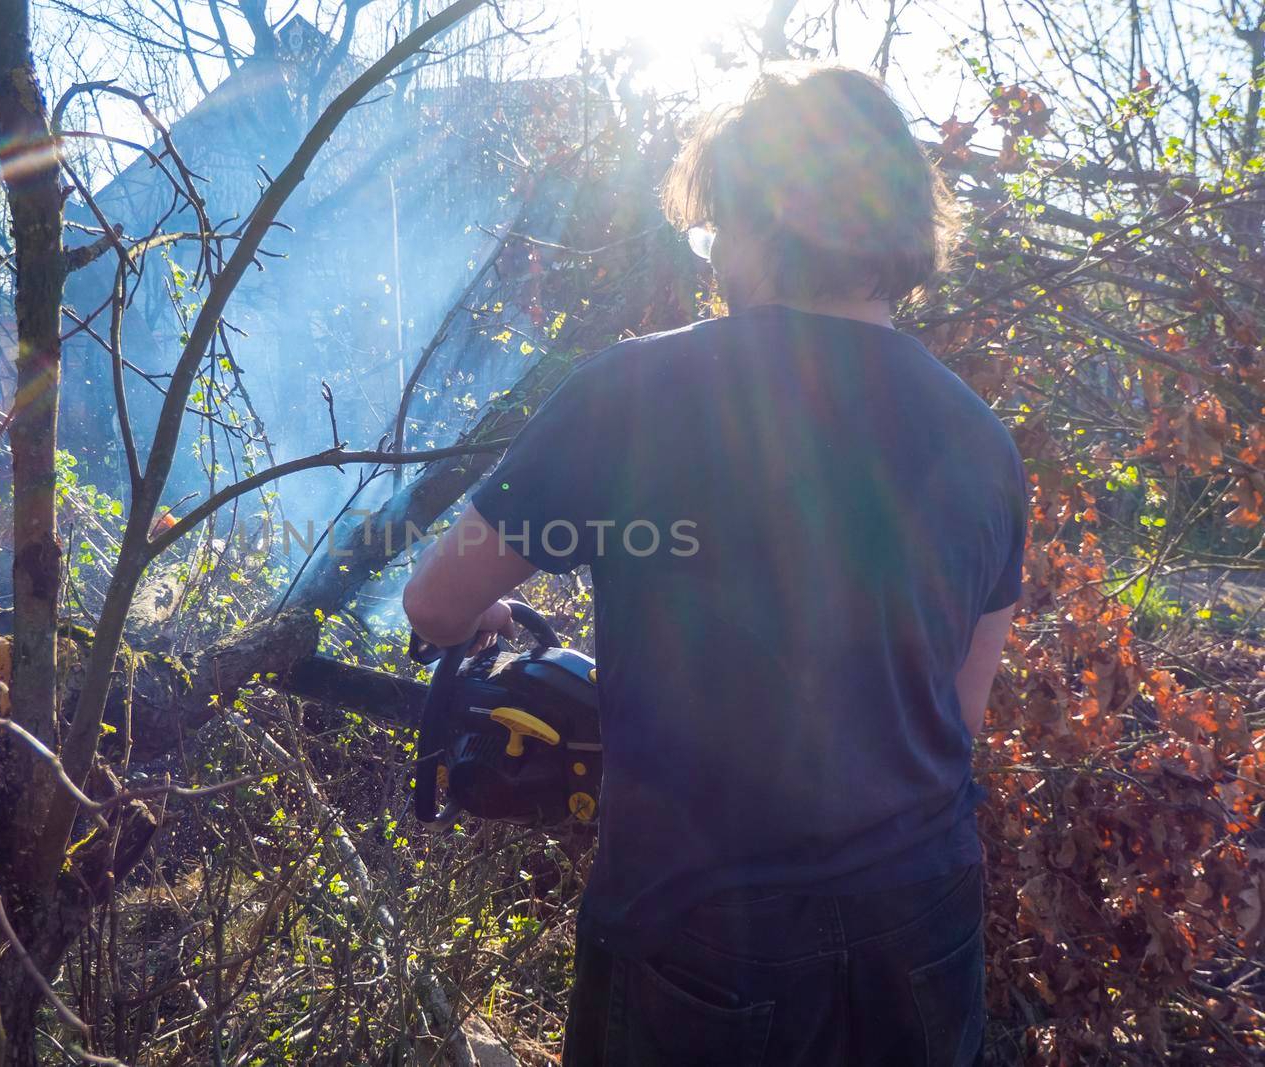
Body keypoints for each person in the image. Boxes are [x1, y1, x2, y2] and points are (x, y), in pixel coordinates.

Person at [402, 64, 1025, 1066]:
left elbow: (434, 601)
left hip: (703, 928)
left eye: (714, 231)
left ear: (760, 223)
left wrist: (490, 628)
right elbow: (958, 717)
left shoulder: (635, 391)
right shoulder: (983, 442)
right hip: (923, 922)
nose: (714, 260)